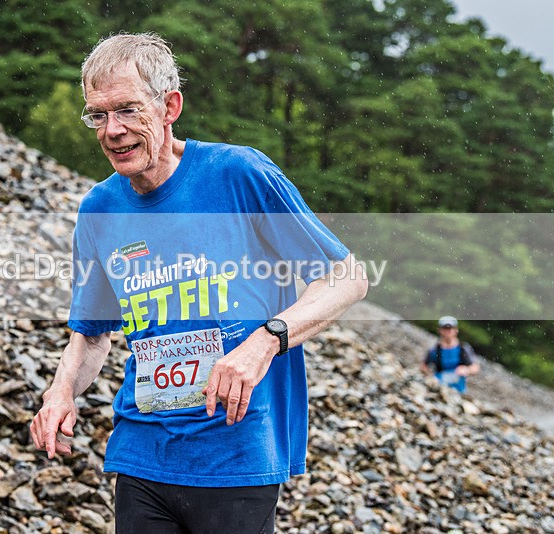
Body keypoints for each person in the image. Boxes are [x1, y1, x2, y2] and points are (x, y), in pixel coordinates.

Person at [30, 33, 369, 534]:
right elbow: (92, 334)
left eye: (126, 110)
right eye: (98, 115)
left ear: (170, 106)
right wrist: (60, 393)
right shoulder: (99, 210)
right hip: (142, 454)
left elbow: (347, 277)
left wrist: (265, 341)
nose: (113, 131)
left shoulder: (237, 175)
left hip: (236, 454)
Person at [422, 315, 480, 393]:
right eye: (445, 328)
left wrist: (466, 369)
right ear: (440, 330)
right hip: (440, 389)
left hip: (459, 391)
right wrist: (430, 376)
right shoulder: (435, 349)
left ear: (456, 330)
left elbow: (475, 367)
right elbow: (424, 366)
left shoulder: (463, 348)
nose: (448, 331)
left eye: (450, 328)